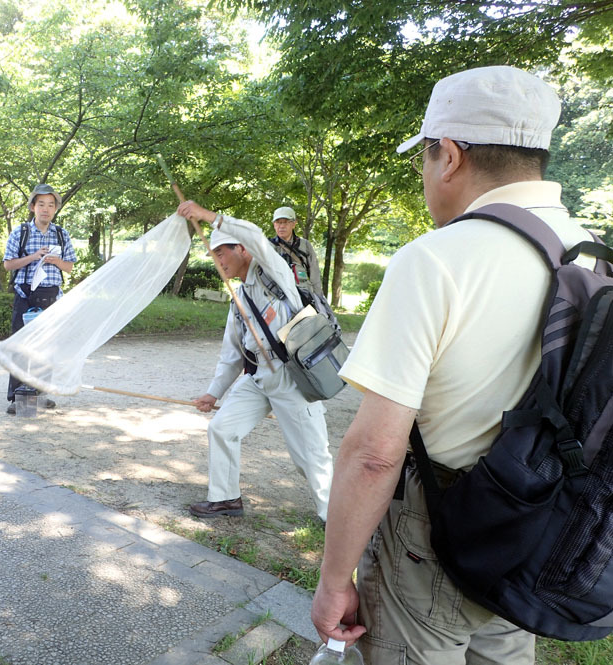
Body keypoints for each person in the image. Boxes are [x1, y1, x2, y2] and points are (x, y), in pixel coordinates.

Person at [309, 66, 594, 664]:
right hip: (536, 520)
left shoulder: (436, 260)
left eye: (426, 156)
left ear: (451, 155)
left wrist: (335, 578)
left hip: (439, 524)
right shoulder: (591, 250)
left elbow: (375, 452)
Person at [176, 200, 334, 521]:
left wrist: (208, 217)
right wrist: (213, 393)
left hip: (293, 379)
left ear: (243, 251)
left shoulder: (274, 272)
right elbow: (232, 354)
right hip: (259, 379)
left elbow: (256, 235)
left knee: (311, 457)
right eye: (214, 256)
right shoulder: (239, 299)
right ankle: (226, 500)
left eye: (222, 253)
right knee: (222, 428)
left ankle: (335, 518)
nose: (217, 261)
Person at [2, 183, 76, 413]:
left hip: (52, 297)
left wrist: (56, 261)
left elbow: (70, 267)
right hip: (25, 295)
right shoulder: (21, 232)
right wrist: (34, 256)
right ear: (33, 207)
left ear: (55, 209)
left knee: (47, 347)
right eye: (41, 204)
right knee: (20, 346)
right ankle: (18, 397)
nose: (46, 209)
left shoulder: (61, 234)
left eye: (50, 205)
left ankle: (41, 394)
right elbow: (8, 264)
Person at [268, 206, 323, 296]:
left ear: (294, 224)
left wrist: (318, 297)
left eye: (285, 222)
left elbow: (315, 273)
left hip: (304, 294)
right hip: (279, 296)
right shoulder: (268, 246)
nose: (281, 226)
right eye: (278, 222)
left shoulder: (305, 245)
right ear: (274, 225)